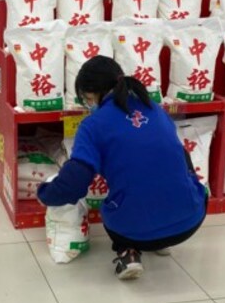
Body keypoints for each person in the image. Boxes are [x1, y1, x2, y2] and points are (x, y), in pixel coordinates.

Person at [37, 56, 207, 281]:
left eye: (87, 99)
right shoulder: (155, 109)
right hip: (191, 220)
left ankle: (129, 252)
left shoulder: (93, 125)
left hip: (134, 230)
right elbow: (180, 156)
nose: (89, 106)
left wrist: (45, 194)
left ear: (94, 93)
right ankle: (163, 239)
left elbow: (75, 183)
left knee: (116, 209)